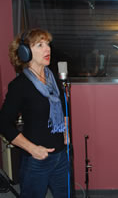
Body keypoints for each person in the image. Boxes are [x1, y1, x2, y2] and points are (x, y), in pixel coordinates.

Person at [0, 28, 69, 198]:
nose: (48, 49)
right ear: (25, 52)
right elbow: (3, 123)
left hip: (61, 156)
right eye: (40, 45)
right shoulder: (19, 85)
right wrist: (32, 149)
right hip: (36, 161)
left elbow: (62, 107)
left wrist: (66, 133)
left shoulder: (52, 78)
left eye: (47, 44)